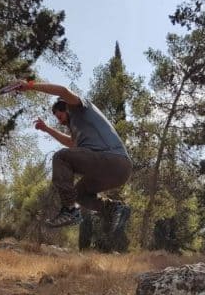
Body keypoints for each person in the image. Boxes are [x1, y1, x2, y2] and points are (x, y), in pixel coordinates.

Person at [15, 79, 132, 231]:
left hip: (113, 159)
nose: (60, 122)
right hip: (119, 172)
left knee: (61, 157)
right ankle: (112, 208)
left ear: (66, 108)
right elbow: (71, 143)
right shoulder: (81, 130)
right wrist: (46, 129)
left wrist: (30, 86)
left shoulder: (77, 106)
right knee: (79, 194)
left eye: (60, 117)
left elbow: (62, 91)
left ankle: (69, 210)